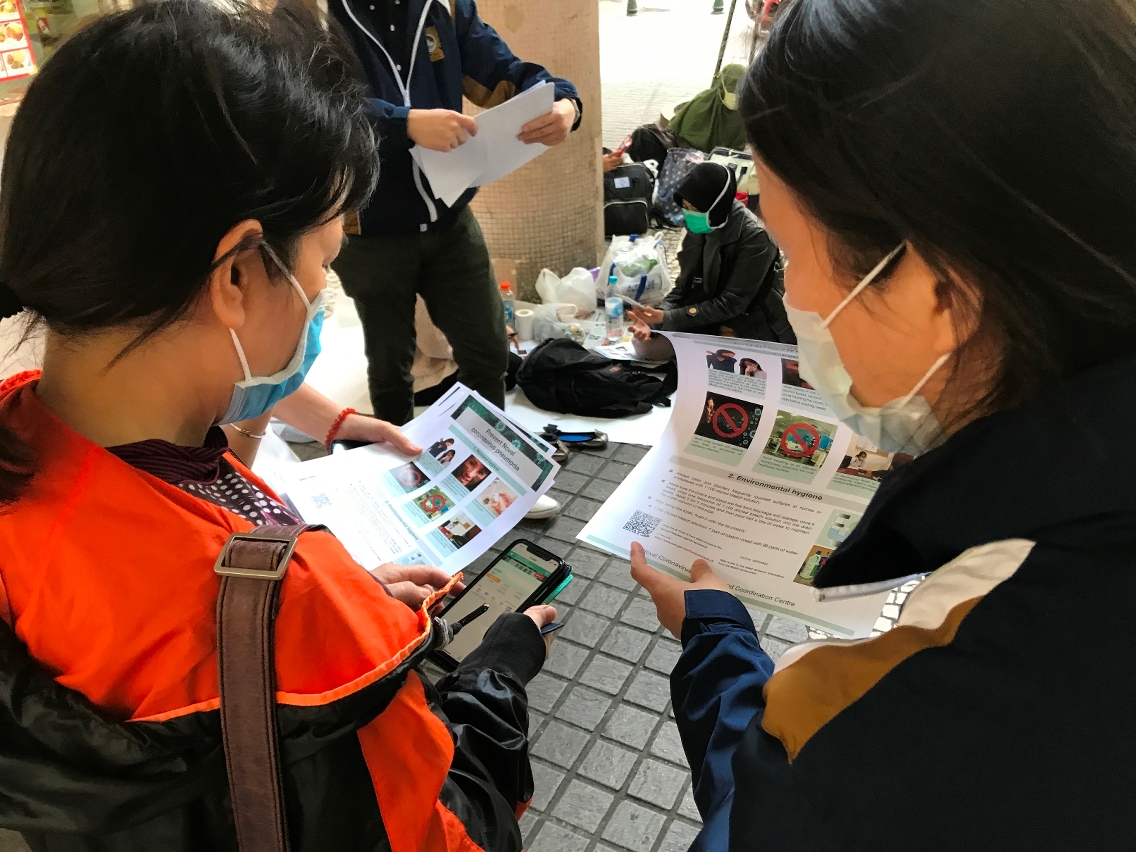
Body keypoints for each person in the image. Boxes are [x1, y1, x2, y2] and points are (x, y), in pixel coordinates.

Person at [0, 4, 555, 849]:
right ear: (235, 277)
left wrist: (333, 603)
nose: (323, 294)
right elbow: (447, 833)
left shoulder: (24, 433)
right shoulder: (292, 612)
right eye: (325, 260)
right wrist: (494, 674)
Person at [631, 0, 1136, 848]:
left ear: (938, 294)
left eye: (795, 254)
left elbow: (772, 814)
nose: (794, 293)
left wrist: (716, 634)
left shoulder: (977, 684)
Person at [328, 0, 582, 427]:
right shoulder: (312, 12)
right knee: (391, 369)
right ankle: (399, 461)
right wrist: (402, 123)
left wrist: (564, 103)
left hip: (450, 219)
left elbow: (504, 72)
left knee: (488, 354)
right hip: (368, 228)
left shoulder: (443, 6)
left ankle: (489, 462)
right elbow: (307, 106)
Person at [630, 162, 793, 361]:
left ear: (716, 206)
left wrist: (669, 319)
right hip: (707, 311)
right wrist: (656, 319)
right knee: (644, 345)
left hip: (750, 322)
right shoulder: (702, 225)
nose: (689, 214)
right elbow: (683, 287)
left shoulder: (755, 238)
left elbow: (733, 302)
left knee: (665, 352)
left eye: (694, 208)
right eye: (686, 207)